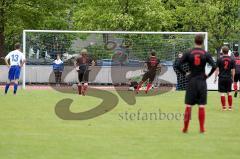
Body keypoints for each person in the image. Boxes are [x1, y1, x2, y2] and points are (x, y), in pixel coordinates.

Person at [176, 35, 216, 133]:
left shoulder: (189, 52)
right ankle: (202, 128)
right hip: (202, 81)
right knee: (201, 106)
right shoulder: (205, 53)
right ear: (202, 42)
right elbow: (214, 66)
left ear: (194, 41)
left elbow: (177, 64)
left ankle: (185, 128)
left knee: (188, 105)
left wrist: (185, 73)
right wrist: (208, 76)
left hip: (191, 81)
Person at [214, 46, 235, 110]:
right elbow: (233, 70)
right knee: (229, 92)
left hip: (221, 78)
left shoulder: (219, 59)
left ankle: (224, 108)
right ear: (228, 51)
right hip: (229, 78)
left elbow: (217, 70)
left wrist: (215, 78)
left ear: (222, 51)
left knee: (222, 93)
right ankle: (230, 107)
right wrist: (233, 78)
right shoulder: (232, 59)